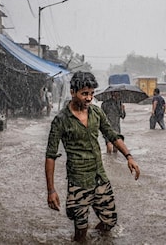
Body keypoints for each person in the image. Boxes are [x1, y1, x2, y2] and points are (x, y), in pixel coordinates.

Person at [44, 71, 141, 242]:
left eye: (91, 94)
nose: (89, 98)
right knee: (80, 232)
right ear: (73, 92)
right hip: (78, 183)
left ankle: (98, 239)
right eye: (84, 94)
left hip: (100, 178)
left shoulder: (96, 113)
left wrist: (129, 156)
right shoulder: (61, 120)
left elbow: (112, 134)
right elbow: (50, 156)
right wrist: (51, 190)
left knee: (110, 222)